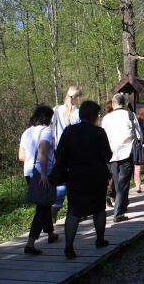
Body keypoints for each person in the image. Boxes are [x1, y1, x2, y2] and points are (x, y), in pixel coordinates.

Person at [55, 101, 113, 259]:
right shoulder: (99, 132)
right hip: (96, 176)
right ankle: (100, 240)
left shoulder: (68, 131)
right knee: (99, 209)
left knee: (73, 211)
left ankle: (68, 246)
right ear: (94, 116)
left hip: (75, 176)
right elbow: (107, 155)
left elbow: (60, 153)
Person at [19, 105, 59, 255]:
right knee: (42, 208)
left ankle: (50, 234)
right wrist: (43, 173)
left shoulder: (27, 132)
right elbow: (42, 151)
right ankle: (30, 243)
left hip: (28, 173)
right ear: (48, 118)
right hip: (41, 172)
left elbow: (21, 156)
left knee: (44, 203)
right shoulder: (46, 131)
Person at [101, 93, 142, 223]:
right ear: (123, 103)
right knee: (123, 183)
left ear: (113, 103)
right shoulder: (130, 115)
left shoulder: (106, 118)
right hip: (126, 152)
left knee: (118, 182)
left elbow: (102, 136)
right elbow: (139, 135)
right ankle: (119, 212)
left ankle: (120, 207)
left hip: (111, 154)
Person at [51, 85, 83, 223]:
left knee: (61, 179)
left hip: (59, 150)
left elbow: (51, 128)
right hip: (74, 151)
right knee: (75, 182)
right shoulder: (78, 113)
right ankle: (74, 212)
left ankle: (55, 205)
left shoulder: (56, 109)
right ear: (77, 97)